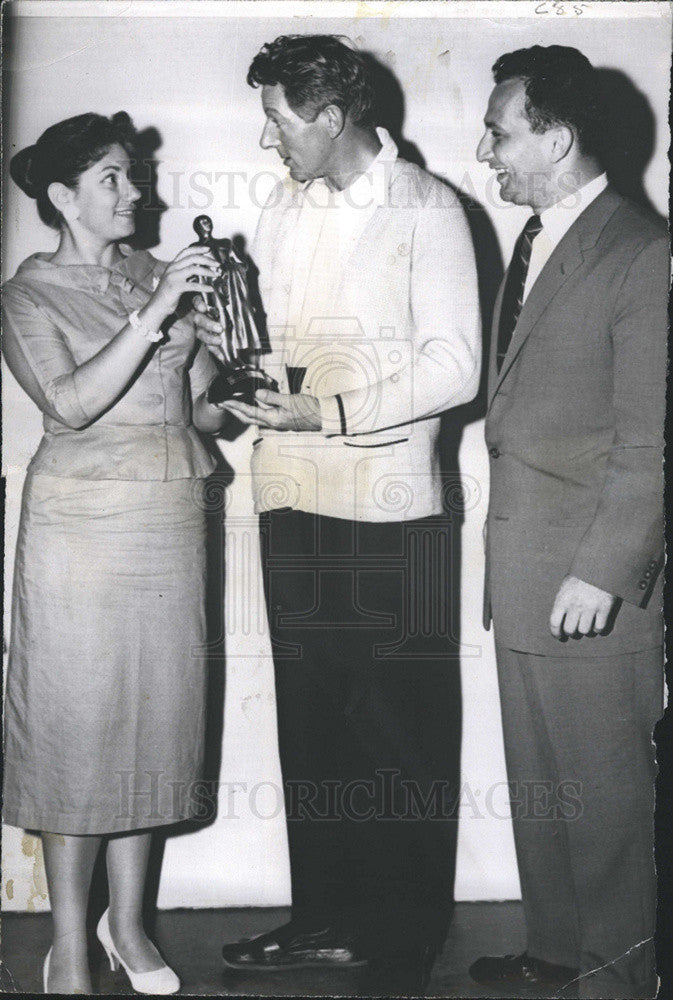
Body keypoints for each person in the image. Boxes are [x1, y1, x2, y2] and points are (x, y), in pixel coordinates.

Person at [193, 33, 481, 990]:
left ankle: (401, 941)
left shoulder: (428, 209)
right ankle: (323, 917)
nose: (266, 136)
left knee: (398, 734)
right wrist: (233, 358)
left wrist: (333, 411)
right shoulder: (280, 207)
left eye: (277, 117)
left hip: (392, 510)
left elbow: (455, 366)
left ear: (329, 117)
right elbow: (277, 350)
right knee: (313, 727)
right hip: (291, 498)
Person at [2, 112, 229, 994]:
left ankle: (128, 928)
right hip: (81, 534)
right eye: (113, 180)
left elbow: (197, 404)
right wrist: (160, 310)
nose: (137, 193)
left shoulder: (150, 276)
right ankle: (68, 941)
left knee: (154, 721)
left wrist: (234, 386)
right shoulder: (27, 295)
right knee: (76, 727)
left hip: (171, 518)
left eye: (134, 176)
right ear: (63, 198)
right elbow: (70, 405)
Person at [471, 45, 667, 998]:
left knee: (604, 810)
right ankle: (555, 951)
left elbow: (650, 443)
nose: (486, 150)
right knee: (543, 790)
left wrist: (604, 567)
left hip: (588, 581)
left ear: (555, 137)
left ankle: (616, 981)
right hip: (520, 573)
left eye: (500, 132)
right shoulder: (537, 239)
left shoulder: (641, 251)